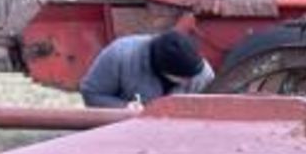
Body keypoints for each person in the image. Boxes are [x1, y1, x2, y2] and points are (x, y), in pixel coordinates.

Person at [79, 30, 213, 109]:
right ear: (163, 70)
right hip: (126, 133)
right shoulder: (120, 55)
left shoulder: (202, 73)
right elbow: (91, 93)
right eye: (185, 78)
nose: (190, 81)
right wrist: (124, 108)